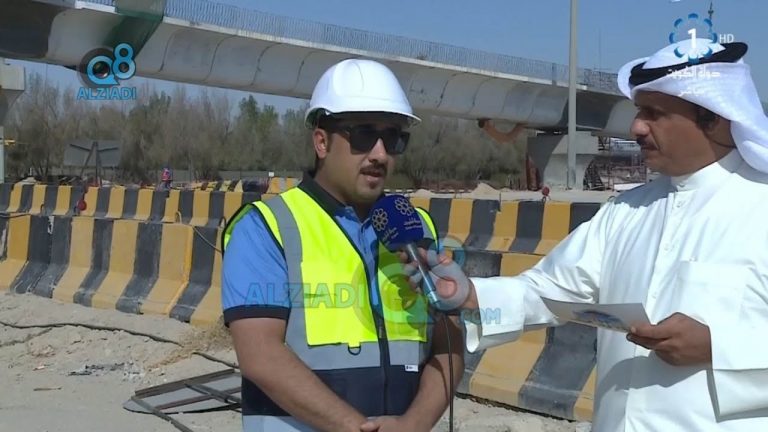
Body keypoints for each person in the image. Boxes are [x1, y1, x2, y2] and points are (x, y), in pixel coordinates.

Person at [401, 38, 768, 432]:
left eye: (654, 114)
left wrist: (718, 347)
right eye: (638, 111)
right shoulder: (625, 211)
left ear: (714, 118)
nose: (636, 127)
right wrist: (471, 295)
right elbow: (550, 292)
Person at [221, 58, 464, 432]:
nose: (380, 154)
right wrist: (356, 427)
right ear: (321, 141)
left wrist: (414, 424)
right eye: (364, 135)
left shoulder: (418, 228)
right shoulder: (267, 227)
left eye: (393, 138)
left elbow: (449, 342)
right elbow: (260, 355)